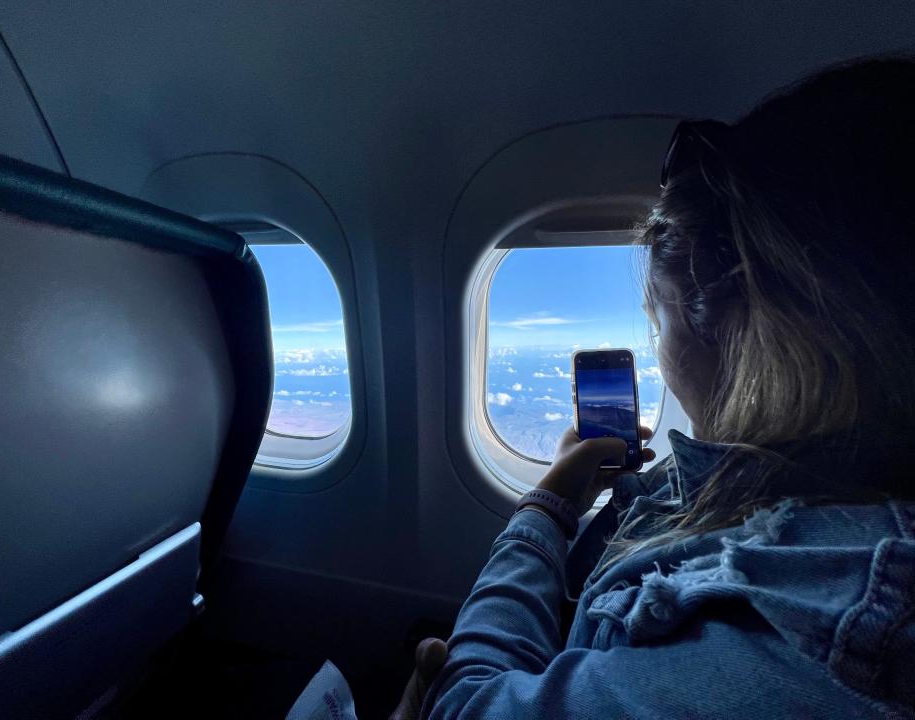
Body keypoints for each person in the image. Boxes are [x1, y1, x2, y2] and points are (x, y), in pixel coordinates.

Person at [391, 56, 915, 719]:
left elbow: (464, 708)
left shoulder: (799, 648)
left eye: (658, 320)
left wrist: (545, 506)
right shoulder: (822, 491)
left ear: (728, 321)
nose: (661, 352)